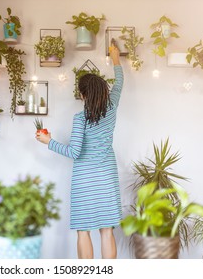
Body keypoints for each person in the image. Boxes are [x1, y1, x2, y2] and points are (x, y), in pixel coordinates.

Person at [36, 45, 123, 259]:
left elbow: (74, 152)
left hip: (85, 180)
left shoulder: (80, 118)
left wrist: (49, 141)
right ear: (103, 90)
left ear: (83, 95)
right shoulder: (112, 106)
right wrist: (116, 59)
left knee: (84, 230)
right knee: (107, 230)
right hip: (107, 176)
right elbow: (120, 82)